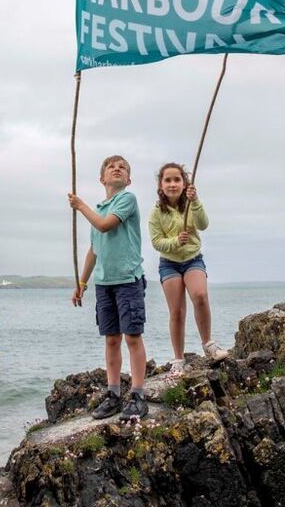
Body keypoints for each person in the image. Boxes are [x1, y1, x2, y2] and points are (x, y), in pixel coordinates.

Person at [68, 154, 149, 421]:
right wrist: (82, 283)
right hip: (104, 284)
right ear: (102, 178)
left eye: (122, 167)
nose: (117, 169)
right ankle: (114, 393)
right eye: (111, 167)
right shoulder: (99, 208)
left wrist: (80, 206)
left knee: (132, 337)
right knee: (111, 338)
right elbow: (94, 250)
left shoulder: (127, 199)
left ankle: (138, 394)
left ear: (128, 178)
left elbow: (105, 226)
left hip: (127, 279)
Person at [149, 162, 228, 377]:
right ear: (161, 185)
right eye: (168, 180)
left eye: (177, 180)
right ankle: (178, 360)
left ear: (184, 183)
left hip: (193, 259)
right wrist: (176, 241)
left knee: (200, 295)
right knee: (177, 311)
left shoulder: (191, 203)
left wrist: (196, 201)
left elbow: (203, 225)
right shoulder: (157, 212)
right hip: (169, 263)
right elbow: (156, 242)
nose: (173, 184)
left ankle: (208, 344)